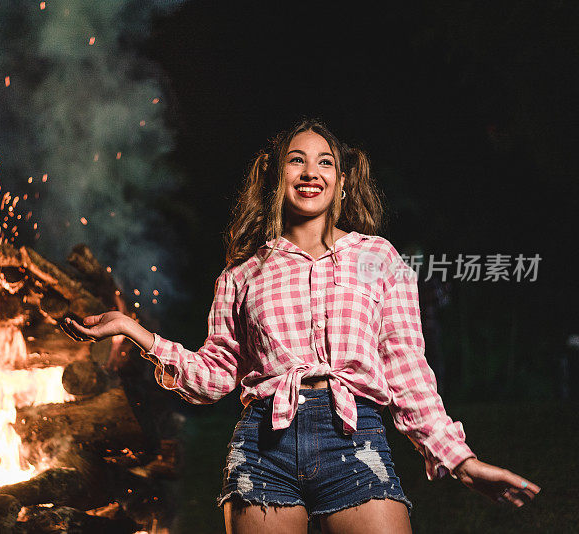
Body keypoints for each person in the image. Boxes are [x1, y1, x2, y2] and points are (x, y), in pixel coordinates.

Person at [61, 119, 541, 533]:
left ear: (343, 181)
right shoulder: (242, 272)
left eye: (325, 162)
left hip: (354, 438)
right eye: (297, 160)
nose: (310, 172)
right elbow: (213, 377)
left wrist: (461, 461)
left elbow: (408, 372)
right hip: (262, 444)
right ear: (276, 176)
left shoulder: (377, 258)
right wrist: (133, 330)